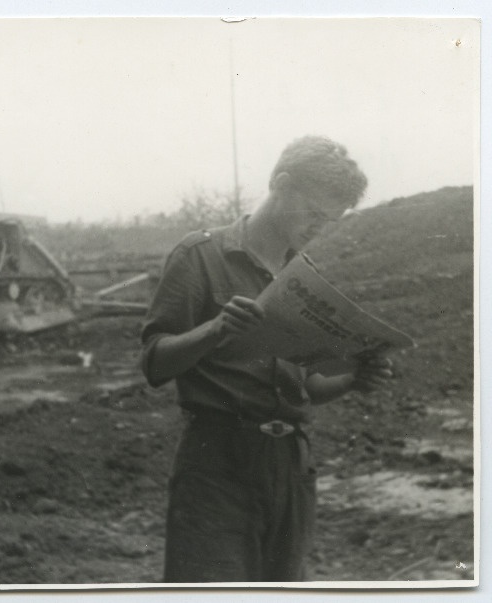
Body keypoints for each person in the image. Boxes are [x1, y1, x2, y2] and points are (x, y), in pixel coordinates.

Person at [140, 136, 394, 582]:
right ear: (280, 183)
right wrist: (215, 330)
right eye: (313, 213)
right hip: (217, 462)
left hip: (291, 467)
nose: (318, 227)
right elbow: (155, 364)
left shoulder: (304, 278)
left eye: (329, 221)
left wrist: (354, 379)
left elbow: (308, 388)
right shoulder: (200, 256)